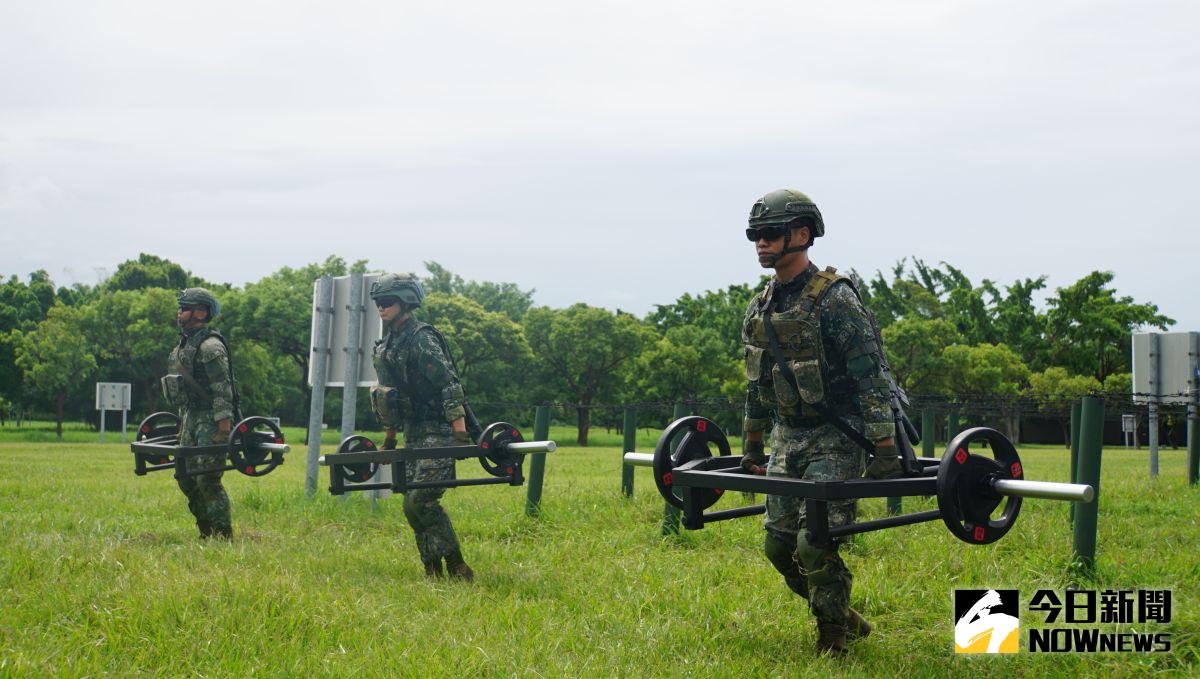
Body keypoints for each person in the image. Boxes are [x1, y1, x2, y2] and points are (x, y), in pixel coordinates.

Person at [738, 189, 902, 655]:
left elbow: (871, 378)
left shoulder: (836, 299)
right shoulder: (762, 306)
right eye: (755, 235)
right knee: (778, 549)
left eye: (770, 234)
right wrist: (752, 445)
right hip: (787, 438)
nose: (761, 243)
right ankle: (844, 617)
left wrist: (884, 448)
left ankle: (833, 641)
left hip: (837, 438)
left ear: (802, 234)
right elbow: (757, 384)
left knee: (815, 544)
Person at [368, 273, 474, 580]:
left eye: (387, 303)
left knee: (422, 500)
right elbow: (389, 398)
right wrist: (389, 440)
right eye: (378, 303)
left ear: (406, 303)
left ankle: (457, 567)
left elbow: (449, 386)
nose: (381, 309)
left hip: (439, 430)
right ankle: (431, 570)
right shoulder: (386, 346)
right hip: (413, 433)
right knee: (410, 506)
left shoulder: (422, 339)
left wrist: (459, 433)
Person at [161, 288, 236, 539]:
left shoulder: (211, 347)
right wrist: (182, 422)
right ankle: (206, 531)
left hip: (211, 420)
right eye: (180, 307)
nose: (179, 312)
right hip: (191, 418)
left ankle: (223, 535)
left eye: (184, 308)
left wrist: (223, 429)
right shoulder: (183, 345)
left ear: (201, 312)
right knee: (185, 477)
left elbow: (222, 389)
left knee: (207, 479)